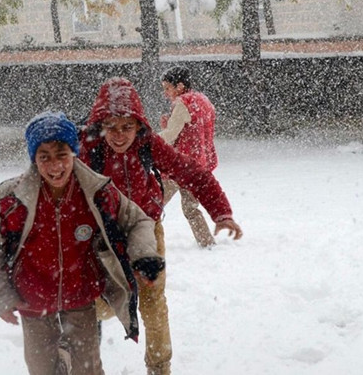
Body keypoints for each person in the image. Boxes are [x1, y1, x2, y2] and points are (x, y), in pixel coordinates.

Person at [0, 112, 165, 375]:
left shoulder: (97, 191)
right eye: (44, 156)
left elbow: (138, 221)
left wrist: (143, 255)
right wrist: (0, 298)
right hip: (32, 300)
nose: (54, 165)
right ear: (33, 159)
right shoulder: (10, 199)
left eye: (61, 154)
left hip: (80, 296)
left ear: (74, 152)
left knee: (88, 370)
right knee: (43, 370)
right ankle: (61, 357)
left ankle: (71, 357)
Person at [79, 77, 243, 375]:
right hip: (104, 237)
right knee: (100, 303)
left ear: (138, 124)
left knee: (153, 302)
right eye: (112, 127)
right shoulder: (87, 148)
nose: (119, 136)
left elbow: (191, 171)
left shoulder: (147, 142)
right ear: (100, 123)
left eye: (127, 127)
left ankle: (159, 368)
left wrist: (221, 211)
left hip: (147, 232)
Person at [158, 66, 221, 248]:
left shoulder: (183, 103)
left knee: (153, 205)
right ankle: (206, 242)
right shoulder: (204, 101)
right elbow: (198, 130)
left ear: (179, 86)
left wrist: (148, 138)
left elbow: (171, 134)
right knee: (191, 208)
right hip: (197, 166)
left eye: (167, 88)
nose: (165, 93)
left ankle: (144, 242)